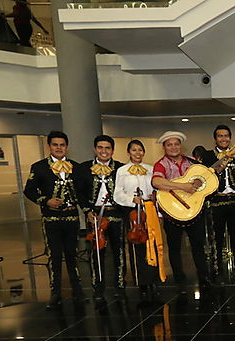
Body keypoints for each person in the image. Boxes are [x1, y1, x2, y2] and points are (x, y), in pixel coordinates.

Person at [23, 131, 86, 308]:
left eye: (62, 145)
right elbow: (29, 190)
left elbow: (81, 192)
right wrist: (46, 201)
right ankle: (55, 292)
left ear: (67, 147)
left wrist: (88, 210)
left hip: (72, 217)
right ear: (49, 146)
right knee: (54, 256)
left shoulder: (76, 167)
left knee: (73, 255)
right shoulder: (39, 167)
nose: (59, 148)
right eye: (55, 145)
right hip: (51, 219)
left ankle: (78, 291)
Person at [151, 131, 212, 289]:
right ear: (164, 147)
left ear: (181, 145)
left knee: (198, 245)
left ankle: (204, 276)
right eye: (169, 144)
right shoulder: (161, 164)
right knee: (174, 246)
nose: (173, 147)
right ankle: (179, 278)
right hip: (172, 212)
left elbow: (204, 178)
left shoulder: (192, 162)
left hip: (193, 210)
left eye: (176, 144)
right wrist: (182, 186)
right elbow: (157, 182)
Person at [76, 135, 125, 306]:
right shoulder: (83, 168)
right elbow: (79, 193)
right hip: (95, 216)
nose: (104, 151)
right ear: (95, 149)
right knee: (96, 254)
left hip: (117, 214)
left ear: (113, 150)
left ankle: (120, 286)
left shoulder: (120, 168)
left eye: (108, 148)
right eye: (100, 148)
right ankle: (98, 287)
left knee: (119, 252)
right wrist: (87, 211)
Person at [113, 139, 158, 303]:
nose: (137, 153)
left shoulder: (150, 169)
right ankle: (142, 283)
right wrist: (133, 200)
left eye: (140, 150)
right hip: (133, 212)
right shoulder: (122, 171)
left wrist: (155, 196)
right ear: (128, 152)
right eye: (134, 150)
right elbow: (117, 194)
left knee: (152, 245)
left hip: (150, 210)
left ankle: (154, 280)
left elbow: (156, 188)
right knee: (136, 247)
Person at [200, 125, 235, 278]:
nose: (223, 139)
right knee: (216, 238)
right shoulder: (209, 155)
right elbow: (205, 176)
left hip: (234, 201)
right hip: (216, 201)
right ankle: (217, 270)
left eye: (226, 136)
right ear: (215, 139)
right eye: (220, 136)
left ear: (230, 138)